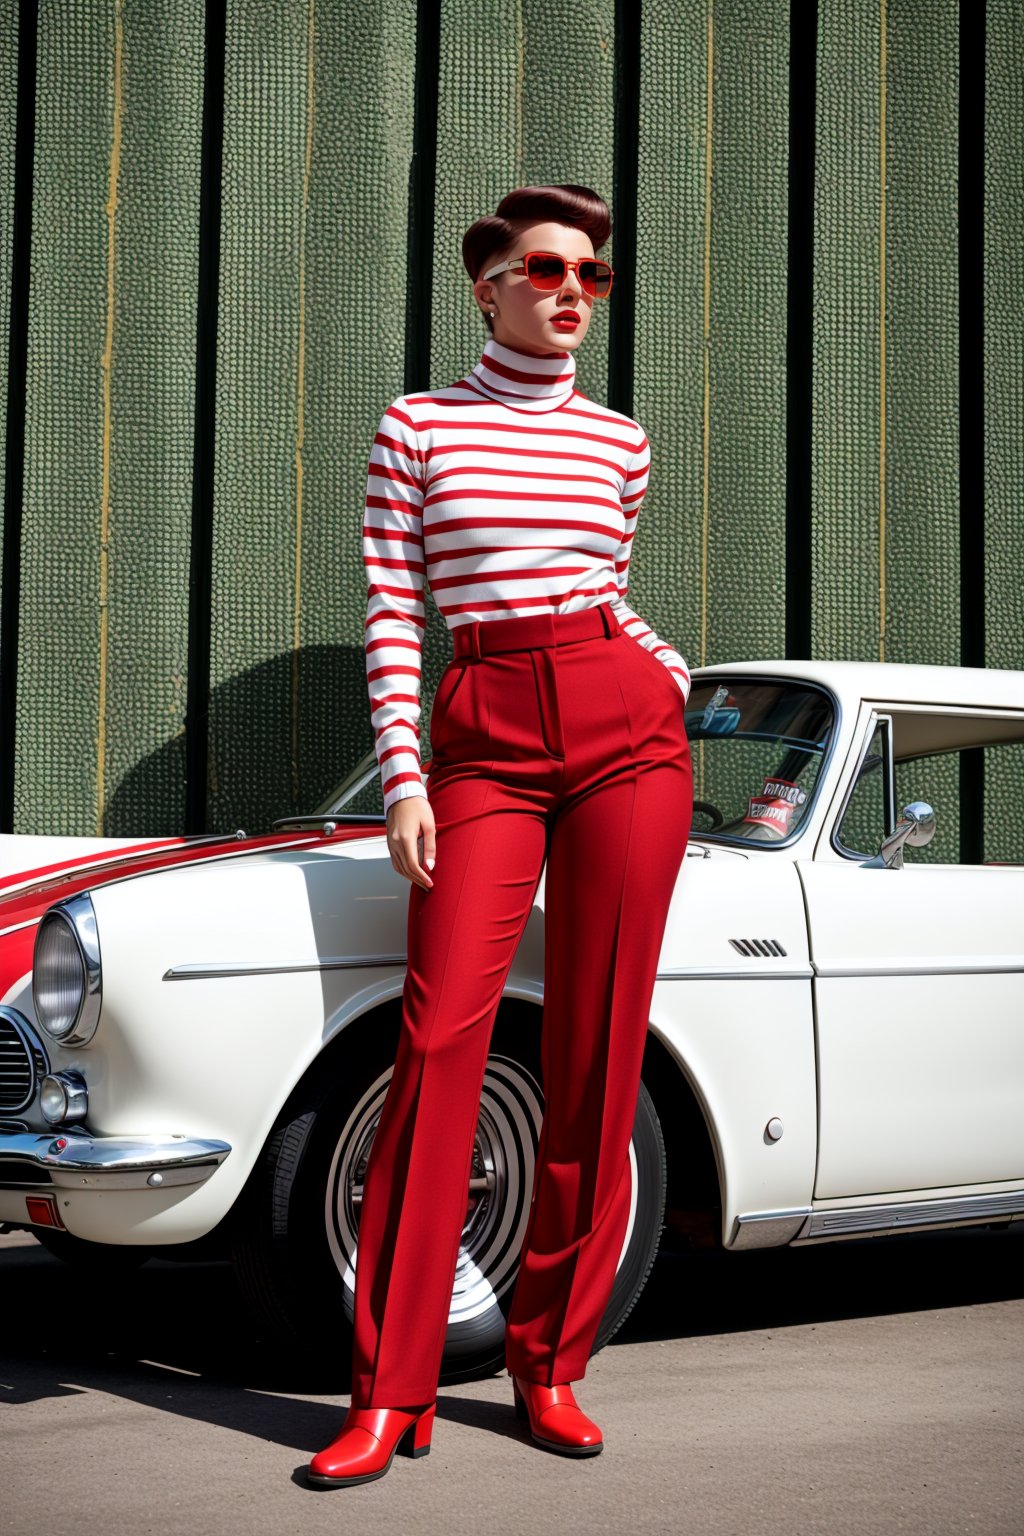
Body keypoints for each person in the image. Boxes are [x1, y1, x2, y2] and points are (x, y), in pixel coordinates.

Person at [307, 184, 693, 1489]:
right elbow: (395, 610)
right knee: (440, 1040)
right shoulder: (418, 425)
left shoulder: (622, 443)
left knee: (595, 1045)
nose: (572, 287)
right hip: (485, 735)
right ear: (489, 284)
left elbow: (602, 590)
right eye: (543, 266)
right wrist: (406, 778)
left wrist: (660, 664)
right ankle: (389, 1390)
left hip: (626, 732)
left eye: (592, 271)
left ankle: (551, 1361)